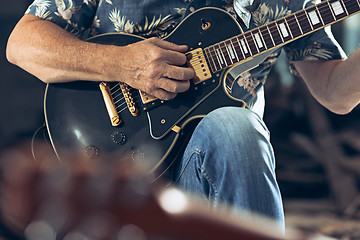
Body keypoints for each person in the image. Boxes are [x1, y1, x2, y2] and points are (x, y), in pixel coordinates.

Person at [5, 0, 360, 234]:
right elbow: (22, 43)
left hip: (225, 171)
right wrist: (122, 64)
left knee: (236, 126)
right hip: (119, 170)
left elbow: (335, 93)